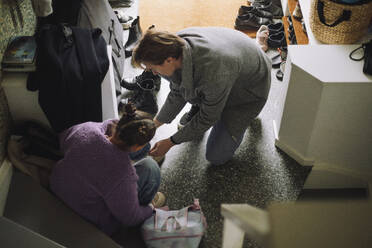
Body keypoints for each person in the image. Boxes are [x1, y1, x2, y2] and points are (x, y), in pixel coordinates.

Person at [132, 26, 272, 165]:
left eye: (153, 68)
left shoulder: (214, 72)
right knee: (200, 92)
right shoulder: (172, 45)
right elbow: (177, 92)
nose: (154, 73)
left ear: (169, 60)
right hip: (233, 57)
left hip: (249, 91)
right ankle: (255, 52)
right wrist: (154, 124)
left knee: (216, 156)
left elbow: (207, 118)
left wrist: (170, 142)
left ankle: (259, 50)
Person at [49, 103, 164, 237]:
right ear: (136, 147)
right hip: (88, 216)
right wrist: (150, 209)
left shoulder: (88, 129)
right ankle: (145, 202)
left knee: (146, 150)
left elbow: (63, 140)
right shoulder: (124, 175)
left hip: (57, 185)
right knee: (151, 167)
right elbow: (130, 218)